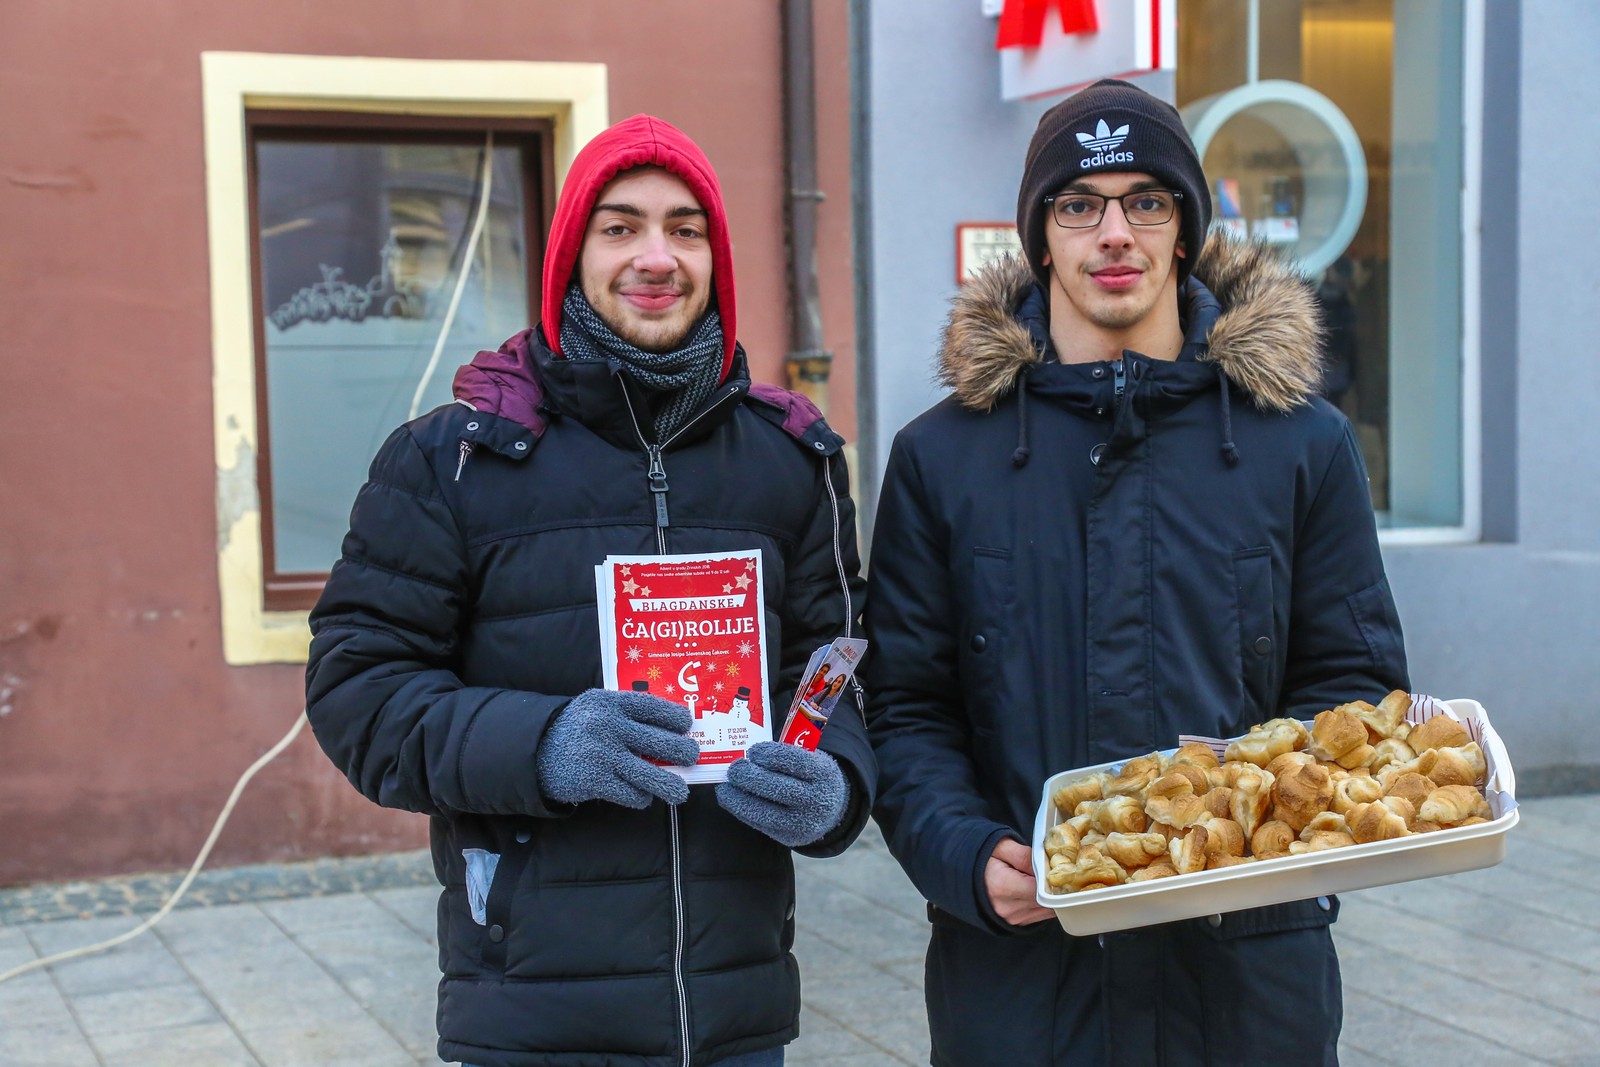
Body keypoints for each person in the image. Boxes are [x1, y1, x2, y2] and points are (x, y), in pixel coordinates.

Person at [306, 114, 874, 1067]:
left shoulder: (793, 461)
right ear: (572, 255)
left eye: (686, 229)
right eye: (620, 227)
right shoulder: (452, 460)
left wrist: (838, 784)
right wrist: (544, 745)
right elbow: (357, 692)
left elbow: (843, 668)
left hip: (735, 1011)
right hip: (532, 1009)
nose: (657, 256)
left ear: (716, 259)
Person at [863, 79, 1407, 1066]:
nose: (1113, 233)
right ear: (1039, 238)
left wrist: (1258, 827)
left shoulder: (1301, 445)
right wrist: (964, 854)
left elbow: (1353, 689)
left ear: (1184, 230)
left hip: (1246, 988)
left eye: (1144, 201)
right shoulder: (940, 458)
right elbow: (905, 709)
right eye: (1079, 204)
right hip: (1023, 986)